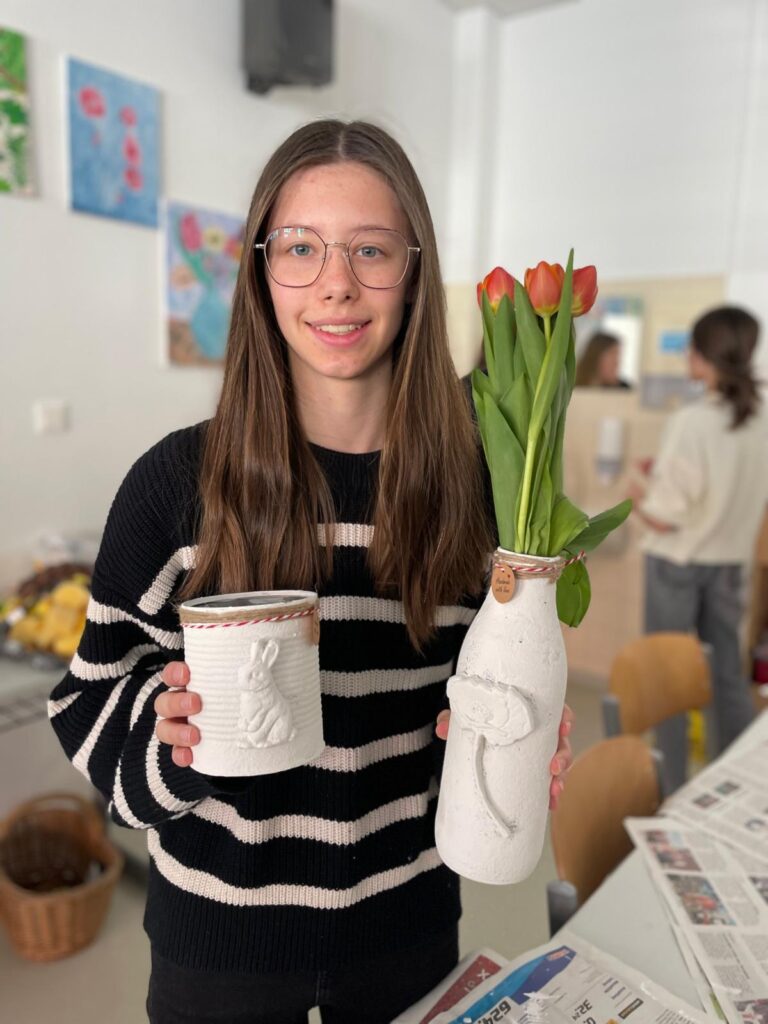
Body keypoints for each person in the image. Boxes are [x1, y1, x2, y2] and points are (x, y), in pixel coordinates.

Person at [47, 119, 573, 1024]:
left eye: (371, 249)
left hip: (409, 931)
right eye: (300, 247)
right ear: (261, 271)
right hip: (219, 947)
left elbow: (476, 699)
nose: (336, 282)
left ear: (414, 271)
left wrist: (516, 734)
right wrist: (168, 742)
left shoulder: (477, 494)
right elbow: (86, 702)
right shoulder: (175, 485)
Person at [629, 306, 768, 792]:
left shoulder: (692, 421)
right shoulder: (761, 417)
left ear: (706, 354)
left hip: (677, 562)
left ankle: (669, 785)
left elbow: (665, 516)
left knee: (668, 678)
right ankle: (736, 783)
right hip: (728, 566)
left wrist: (635, 495)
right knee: (726, 674)